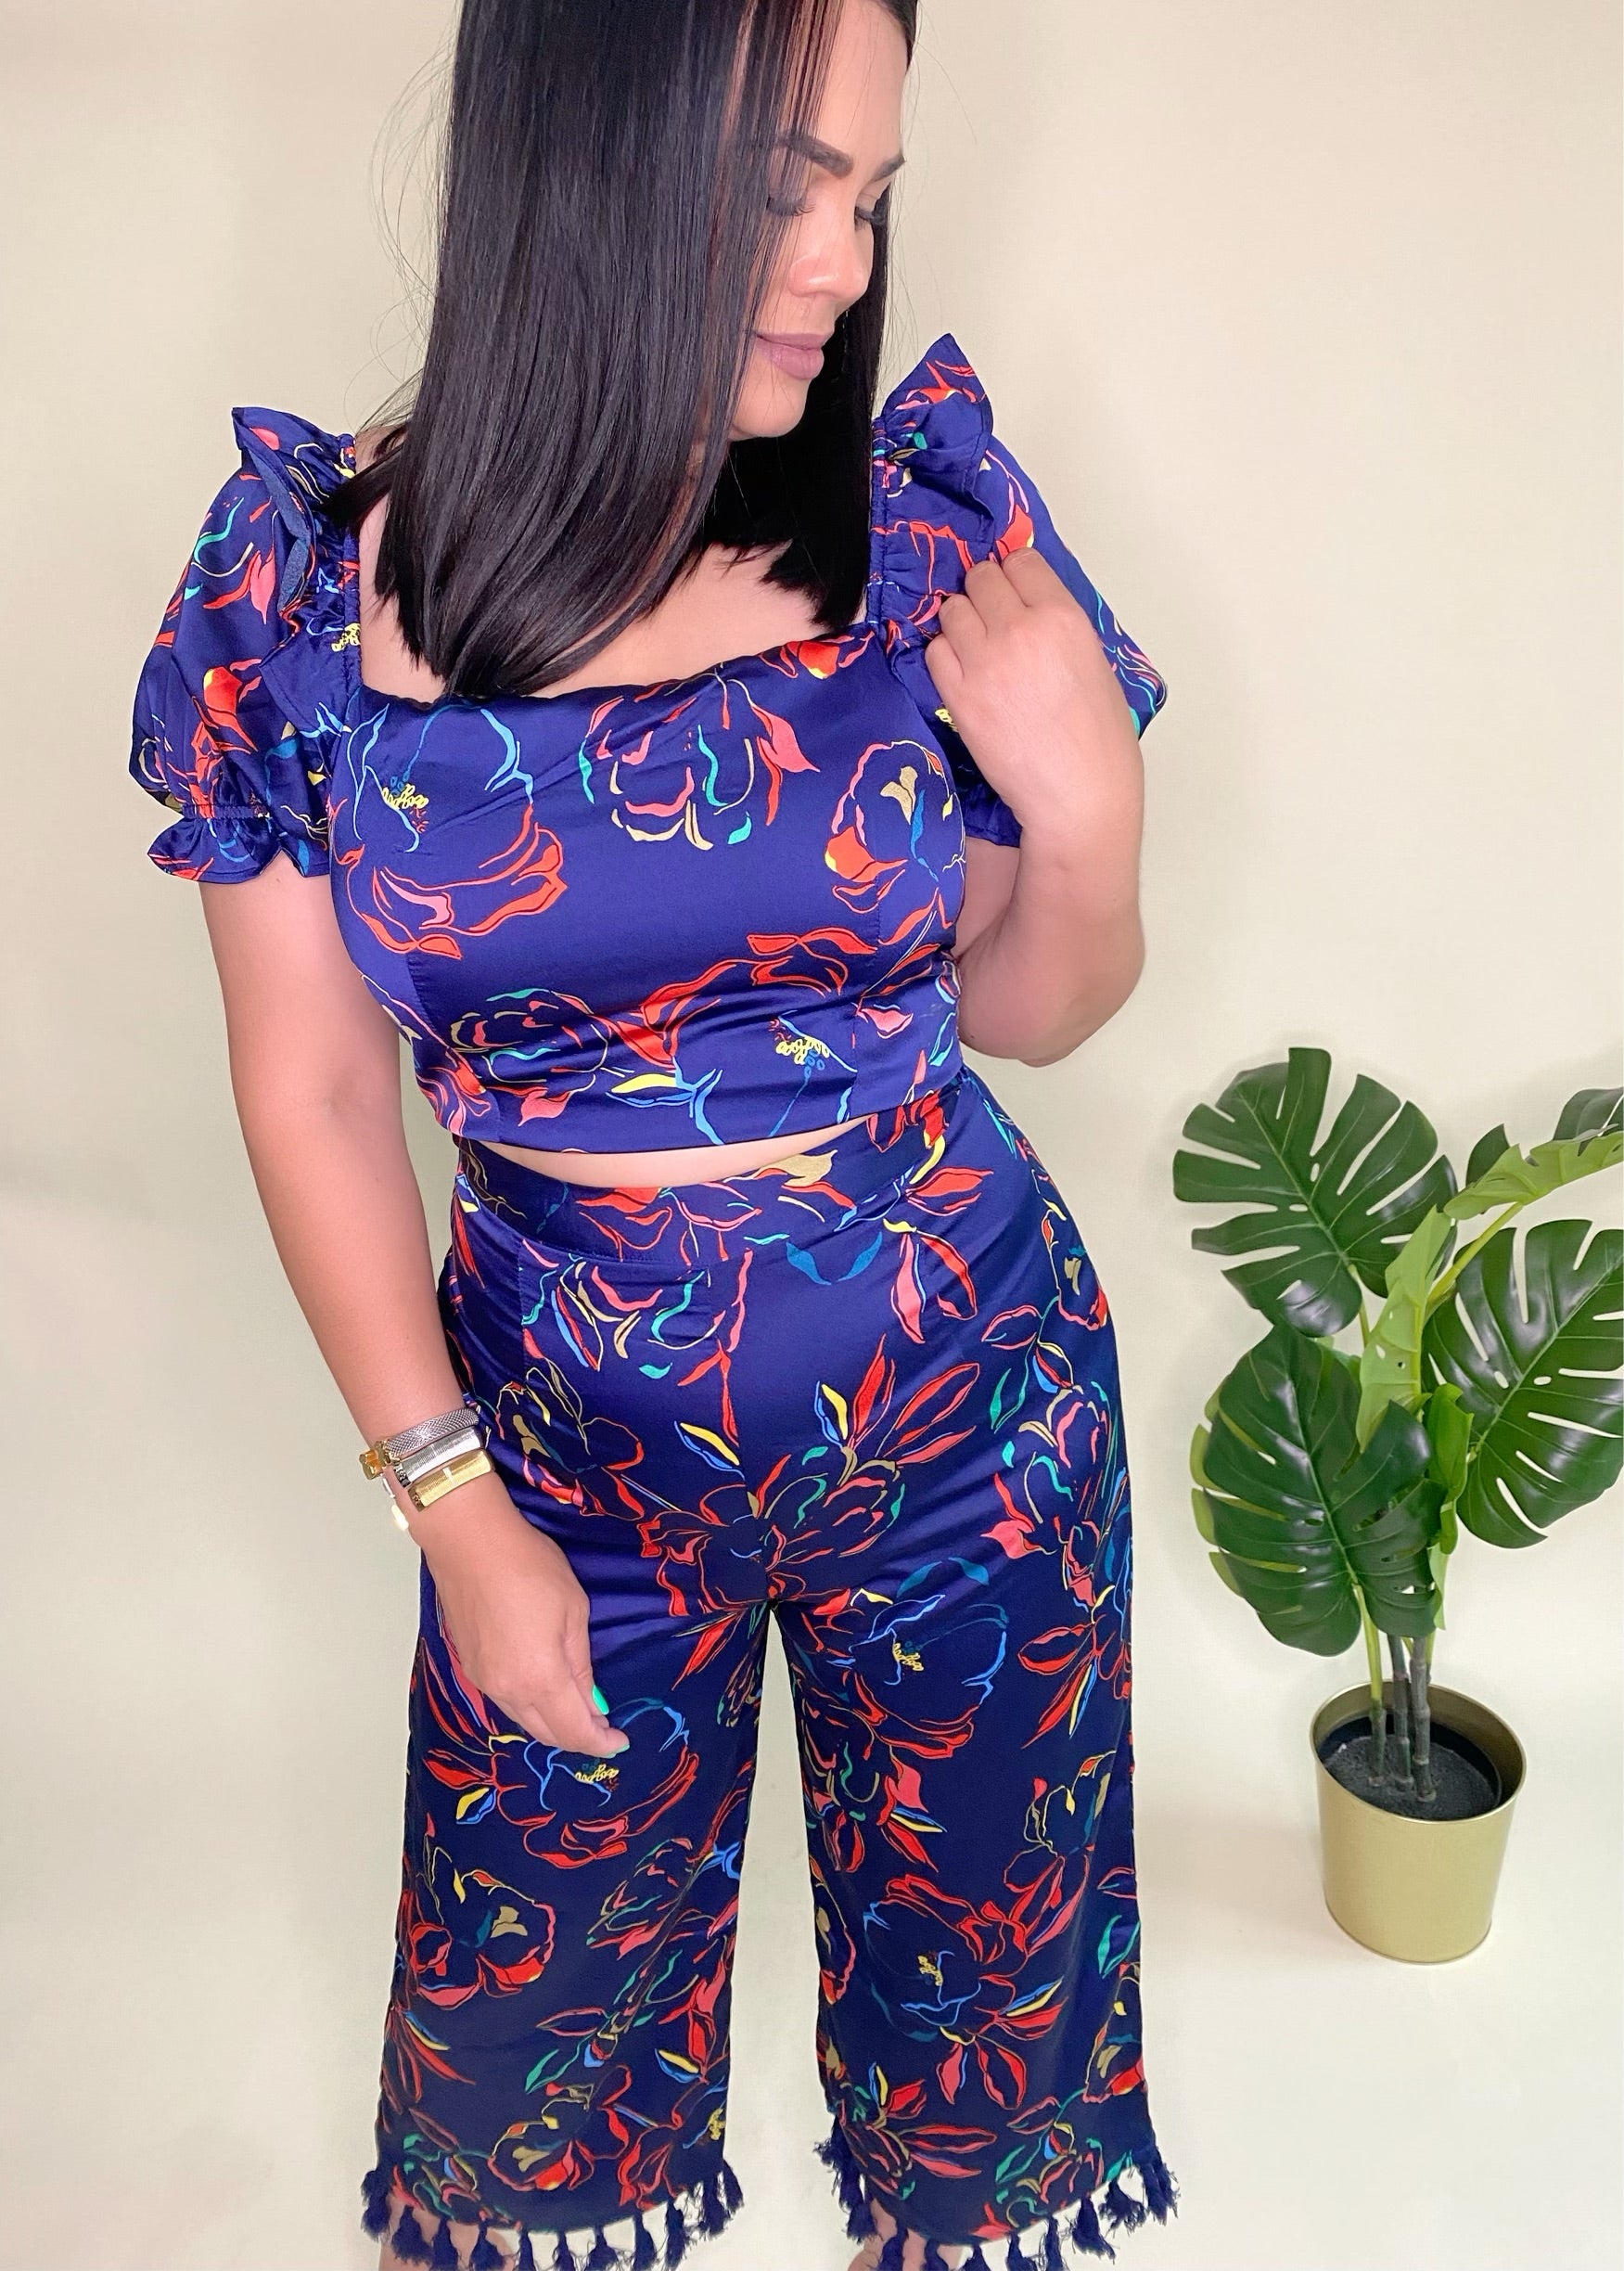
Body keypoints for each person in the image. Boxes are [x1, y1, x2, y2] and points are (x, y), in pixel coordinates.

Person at [126, 2, 1179, 2265]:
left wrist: (1091, 819)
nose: (842, 261)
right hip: (559, 1453)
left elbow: (1027, 1006)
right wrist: (451, 1506)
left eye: (872, 196)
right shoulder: (302, 589)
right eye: (789, 186)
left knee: (985, 2062)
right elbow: (312, 1087)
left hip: (972, 1413)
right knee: (528, 2083)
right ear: (586, 163)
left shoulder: (924, 535)